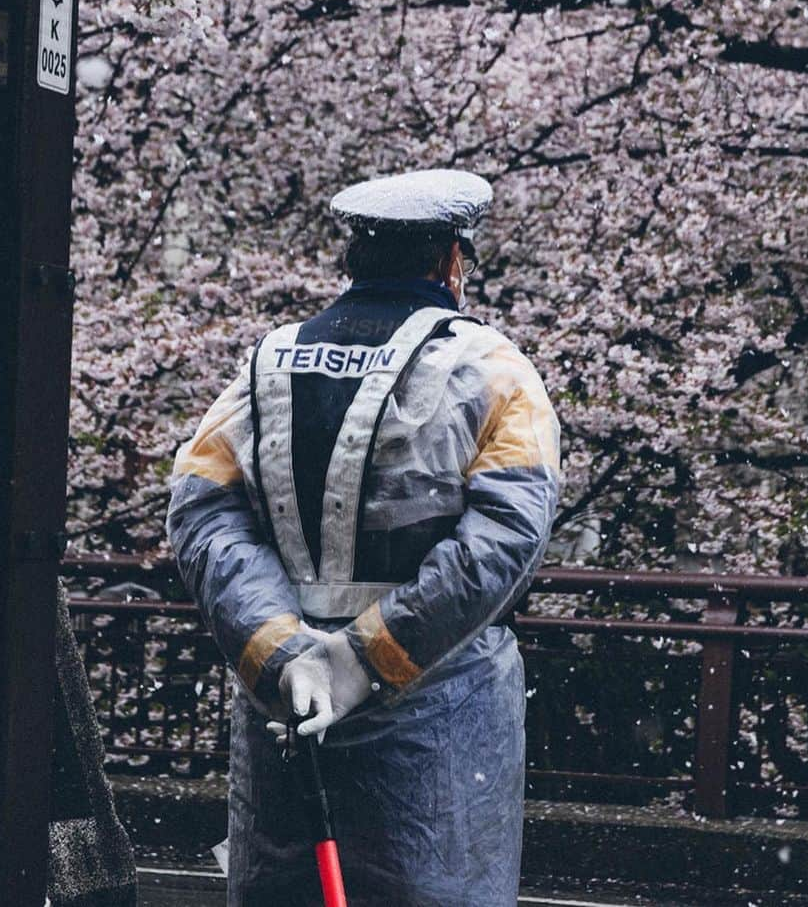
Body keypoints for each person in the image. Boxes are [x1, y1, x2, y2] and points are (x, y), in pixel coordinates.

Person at [167, 169, 561, 906]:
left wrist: (280, 650)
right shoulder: (493, 369)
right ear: (451, 260)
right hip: (436, 728)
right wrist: (366, 656)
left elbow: (199, 511)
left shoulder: (268, 362)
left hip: (284, 716)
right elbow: (505, 537)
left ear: (352, 258)